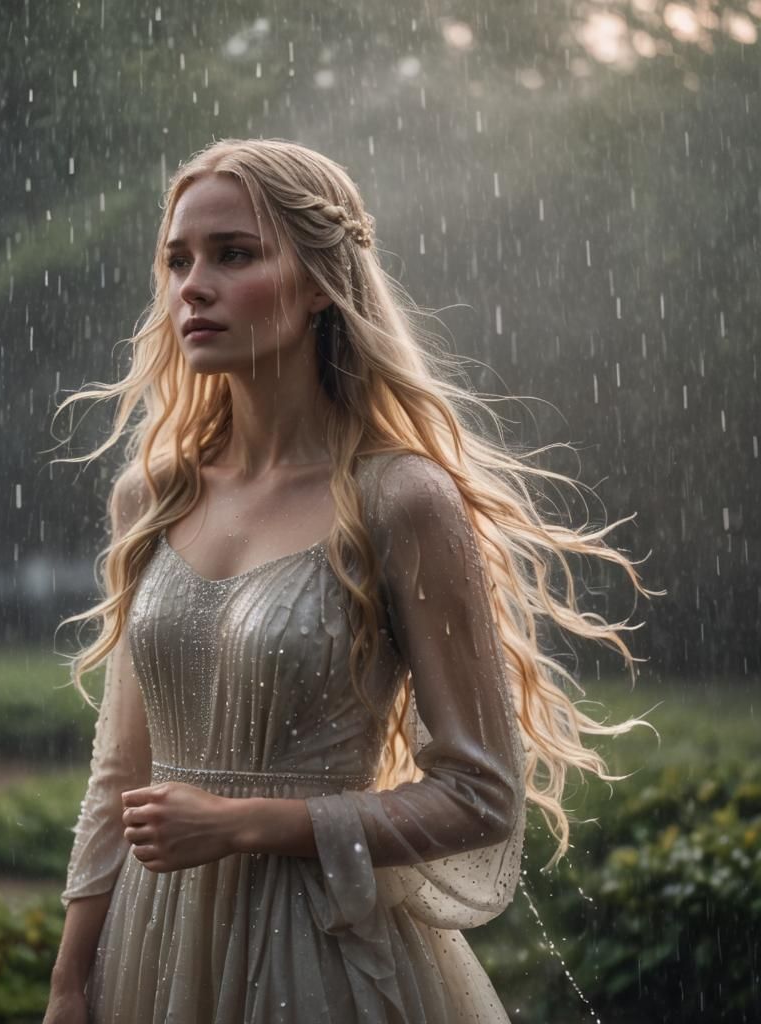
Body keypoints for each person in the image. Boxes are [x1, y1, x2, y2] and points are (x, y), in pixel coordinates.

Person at [42, 138, 655, 1023]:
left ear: (323, 279)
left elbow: (482, 794)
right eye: (178, 260)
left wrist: (253, 823)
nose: (193, 286)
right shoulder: (153, 494)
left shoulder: (400, 499)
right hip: (154, 945)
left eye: (234, 254)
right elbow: (117, 776)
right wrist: (69, 982)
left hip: (315, 949)